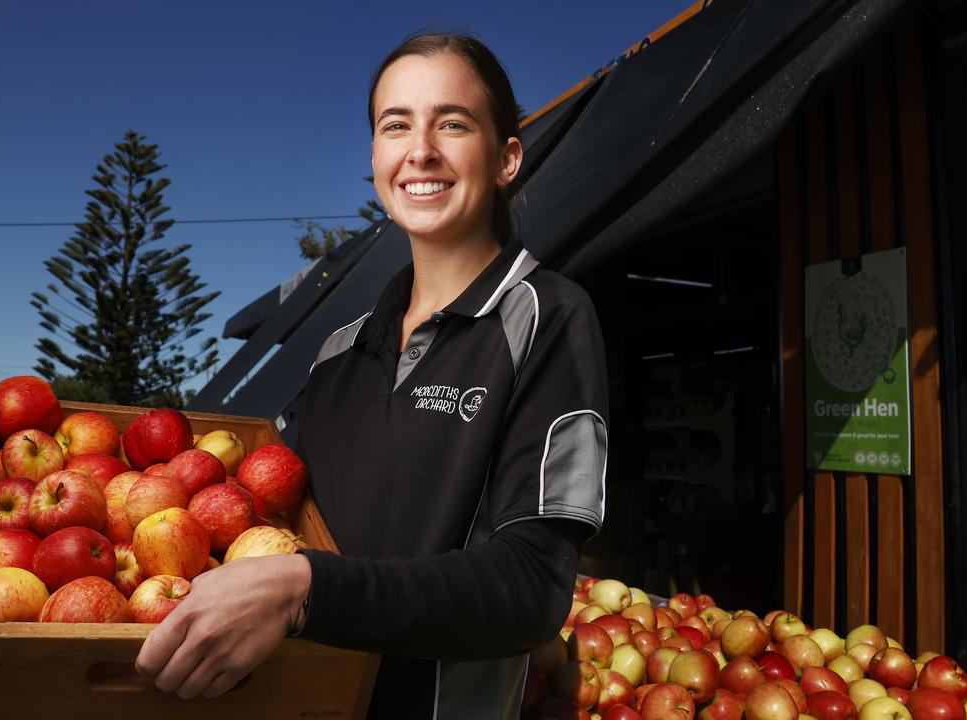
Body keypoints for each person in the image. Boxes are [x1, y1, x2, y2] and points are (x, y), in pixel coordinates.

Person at [135, 32, 610, 719]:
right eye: (396, 126)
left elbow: (533, 587)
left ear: (507, 158)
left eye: (452, 122)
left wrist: (307, 591)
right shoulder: (338, 352)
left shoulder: (550, 318)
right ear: (376, 160)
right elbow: (275, 522)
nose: (421, 150)